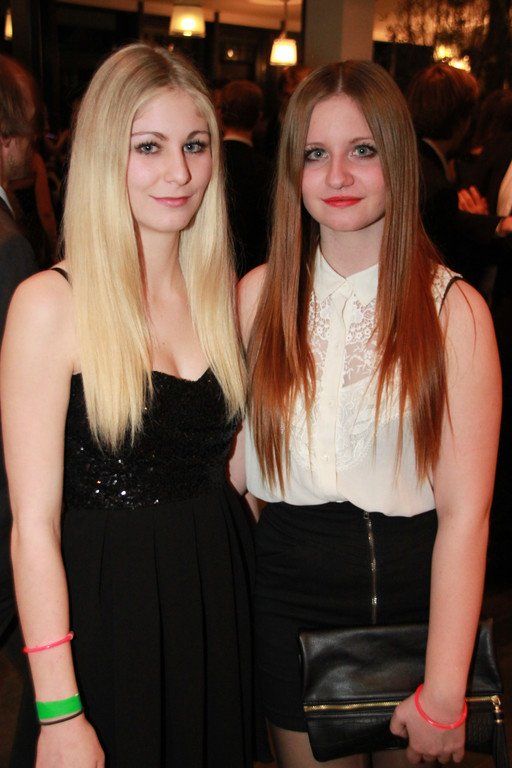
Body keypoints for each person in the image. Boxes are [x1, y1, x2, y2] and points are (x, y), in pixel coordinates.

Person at [1, 43, 260, 767]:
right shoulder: (50, 304)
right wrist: (59, 711)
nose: (179, 172)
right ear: (102, 156)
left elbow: (234, 476)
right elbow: (32, 528)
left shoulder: (221, 295)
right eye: (149, 147)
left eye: (195, 145)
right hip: (108, 619)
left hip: (216, 601)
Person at [238, 61, 501, 768]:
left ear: (399, 159)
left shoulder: (455, 311)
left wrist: (444, 692)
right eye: (315, 154)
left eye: (363, 150)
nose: (338, 176)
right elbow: (242, 480)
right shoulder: (255, 298)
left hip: (419, 599)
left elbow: (467, 515)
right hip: (286, 596)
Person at [220, 79, 271, 277]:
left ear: (220, 114)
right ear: (259, 117)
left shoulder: (208, 163)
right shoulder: (267, 170)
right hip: (255, 271)